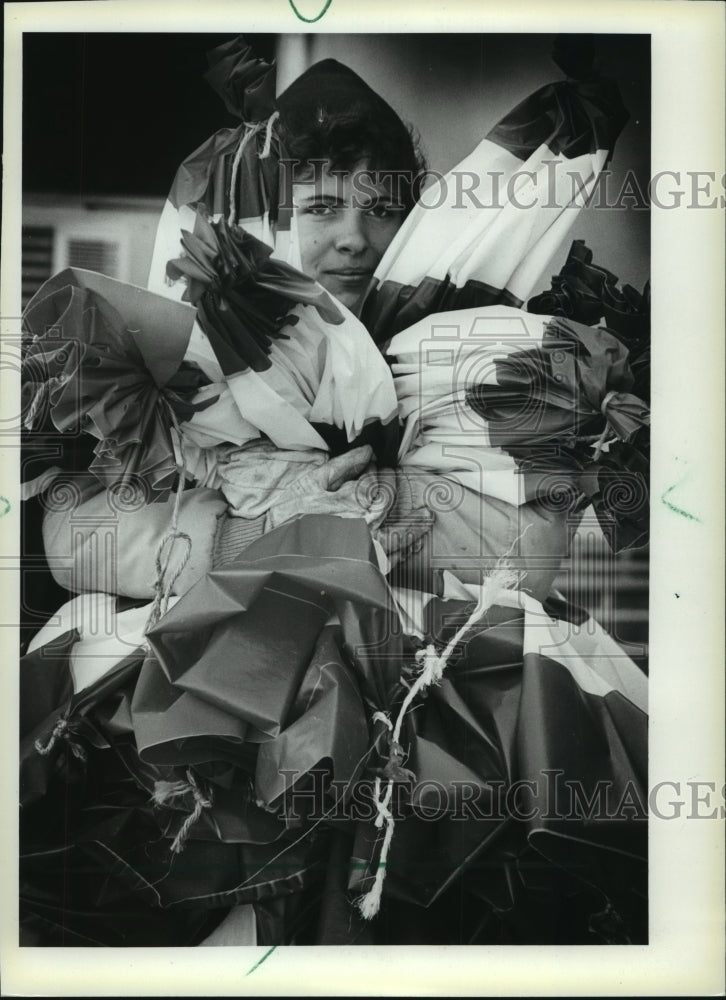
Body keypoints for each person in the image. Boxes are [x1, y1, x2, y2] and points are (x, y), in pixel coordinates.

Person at [21, 36, 649, 947]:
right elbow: (72, 537)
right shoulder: (159, 361)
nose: (353, 236)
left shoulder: (487, 349)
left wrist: (386, 502)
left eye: (382, 209)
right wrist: (244, 517)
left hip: (429, 699)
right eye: (320, 206)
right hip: (201, 683)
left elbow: (535, 556)